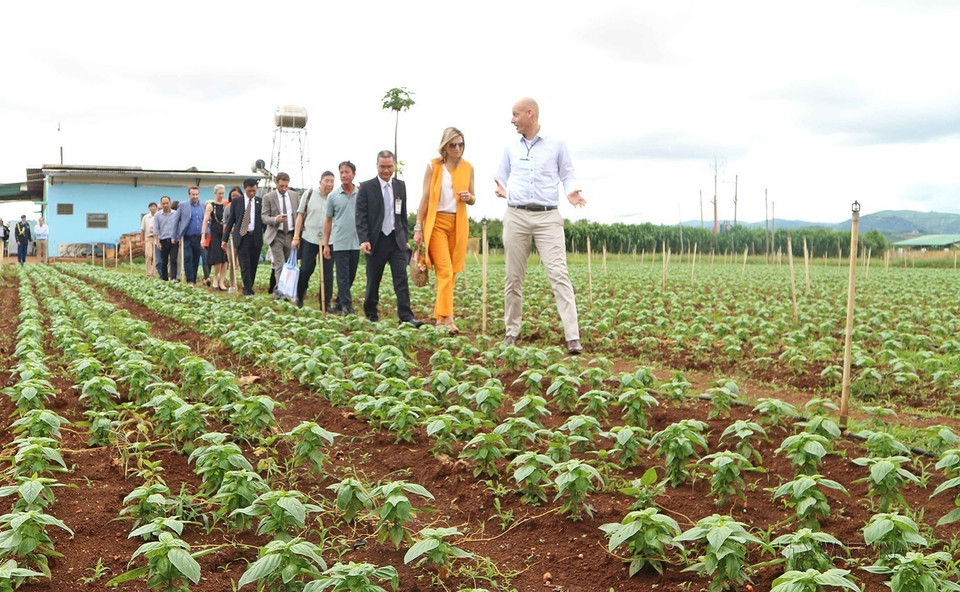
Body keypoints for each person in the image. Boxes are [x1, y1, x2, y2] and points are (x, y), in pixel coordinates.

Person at [495, 98, 586, 355]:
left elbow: (567, 174)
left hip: (548, 218)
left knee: (559, 275)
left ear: (529, 113)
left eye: (515, 114)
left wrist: (572, 192)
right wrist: (500, 187)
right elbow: (501, 175)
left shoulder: (556, 145)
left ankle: (572, 336)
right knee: (513, 278)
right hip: (516, 215)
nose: (512, 120)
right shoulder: (510, 148)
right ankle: (511, 332)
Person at [414, 127, 476, 333]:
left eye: (461, 144)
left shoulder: (469, 168)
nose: (458, 148)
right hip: (437, 223)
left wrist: (470, 197)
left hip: (458, 224)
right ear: (445, 147)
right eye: (453, 145)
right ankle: (448, 319)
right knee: (445, 271)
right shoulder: (434, 167)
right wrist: (418, 227)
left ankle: (440, 318)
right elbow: (424, 198)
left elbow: (474, 198)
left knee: (452, 272)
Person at [356, 150, 422, 326]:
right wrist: (364, 239)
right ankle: (371, 315)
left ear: (394, 166)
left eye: (389, 166)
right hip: (375, 241)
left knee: (401, 279)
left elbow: (402, 213)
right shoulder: (366, 187)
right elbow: (360, 215)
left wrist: (405, 236)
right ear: (377, 165)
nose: (386, 170)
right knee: (373, 280)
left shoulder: (400, 186)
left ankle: (406, 317)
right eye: (382, 167)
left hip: (396, 239)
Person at [323, 161, 362, 315]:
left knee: (351, 275)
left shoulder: (361, 194)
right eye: (342, 172)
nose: (344, 175)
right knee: (342, 276)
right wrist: (326, 245)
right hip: (339, 242)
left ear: (353, 174)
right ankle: (347, 307)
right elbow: (328, 220)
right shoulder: (333, 196)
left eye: (347, 172)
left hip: (356, 242)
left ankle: (339, 303)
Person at [292, 171, 335, 309]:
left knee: (327, 273)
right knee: (306, 269)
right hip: (309, 237)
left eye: (332, 181)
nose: (329, 184)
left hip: (329, 240)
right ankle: (299, 296)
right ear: (320, 182)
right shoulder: (309, 194)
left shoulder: (335, 197)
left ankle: (325, 302)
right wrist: (296, 236)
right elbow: (300, 216)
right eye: (327, 181)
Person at [222, 178, 264, 296]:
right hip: (242, 236)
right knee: (244, 264)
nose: (252, 193)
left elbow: (263, 221)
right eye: (250, 191)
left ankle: (249, 286)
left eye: (254, 191)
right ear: (245, 188)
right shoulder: (237, 202)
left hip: (255, 236)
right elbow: (231, 221)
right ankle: (248, 290)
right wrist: (224, 239)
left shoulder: (260, 202)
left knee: (253, 264)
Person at [261, 172, 299, 296]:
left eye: (286, 186)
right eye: (281, 186)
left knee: (289, 265)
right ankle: (281, 292)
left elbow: (298, 215)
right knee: (280, 264)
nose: (283, 189)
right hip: (276, 234)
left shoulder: (294, 196)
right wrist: (275, 219)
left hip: (291, 235)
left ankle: (287, 291)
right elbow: (264, 217)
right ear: (276, 182)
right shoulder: (268, 197)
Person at [202, 184, 229, 290]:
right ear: (215, 193)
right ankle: (215, 279)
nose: (221, 196)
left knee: (225, 259)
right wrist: (203, 236)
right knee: (217, 258)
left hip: (225, 232)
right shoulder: (211, 205)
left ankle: (222, 281)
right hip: (215, 232)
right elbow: (205, 221)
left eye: (223, 193)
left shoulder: (227, 204)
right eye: (219, 194)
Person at [176, 187, 206, 286]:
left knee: (196, 259)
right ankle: (190, 280)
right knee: (188, 257)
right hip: (187, 237)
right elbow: (176, 221)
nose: (195, 196)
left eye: (196, 194)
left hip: (198, 238)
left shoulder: (203, 206)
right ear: (189, 195)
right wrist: (175, 236)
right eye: (193, 194)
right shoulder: (183, 205)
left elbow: (206, 221)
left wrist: (205, 233)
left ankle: (193, 278)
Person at [153, 196, 179, 281]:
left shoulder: (176, 214)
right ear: (161, 204)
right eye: (163, 203)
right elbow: (156, 229)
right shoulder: (157, 215)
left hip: (174, 240)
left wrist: (179, 239)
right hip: (163, 240)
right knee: (164, 261)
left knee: (173, 259)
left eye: (167, 203)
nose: (165, 205)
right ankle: (165, 278)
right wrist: (157, 241)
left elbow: (179, 227)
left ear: (170, 203)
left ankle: (174, 278)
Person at [141, 202, 158, 277]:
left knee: (156, 256)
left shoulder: (158, 216)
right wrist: (142, 240)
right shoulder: (146, 217)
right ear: (149, 208)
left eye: (154, 206)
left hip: (156, 238)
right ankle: (148, 273)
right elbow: (143, 229)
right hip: (148, 237)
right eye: (151, 207)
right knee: (148, 255)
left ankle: (153, 273)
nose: (153, 208)